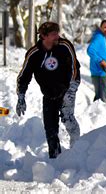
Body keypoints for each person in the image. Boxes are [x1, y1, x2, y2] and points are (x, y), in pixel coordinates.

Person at [16, 22, 81, 158]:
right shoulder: (34, 53)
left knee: (68, 119)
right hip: (49, 94)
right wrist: (21, 95)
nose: (57, 36)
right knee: (50, 128)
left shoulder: (64, 46)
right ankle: (55, 157)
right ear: (44, 36)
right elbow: (24, 75)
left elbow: (75, 67)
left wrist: (72, 88)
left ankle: (77, 149)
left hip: (67, 90)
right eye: (53, 34)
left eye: (57, 33)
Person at [87, 19, 106, 102]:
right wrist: (100, 61)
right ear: (101, 27)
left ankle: (97, 113)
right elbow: (90, 50)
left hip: (101, 71)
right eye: (105, 27)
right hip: (100, 72)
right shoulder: (99, 37)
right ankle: (103, 114)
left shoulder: (103, 37)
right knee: (103, 98)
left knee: (99, 97)